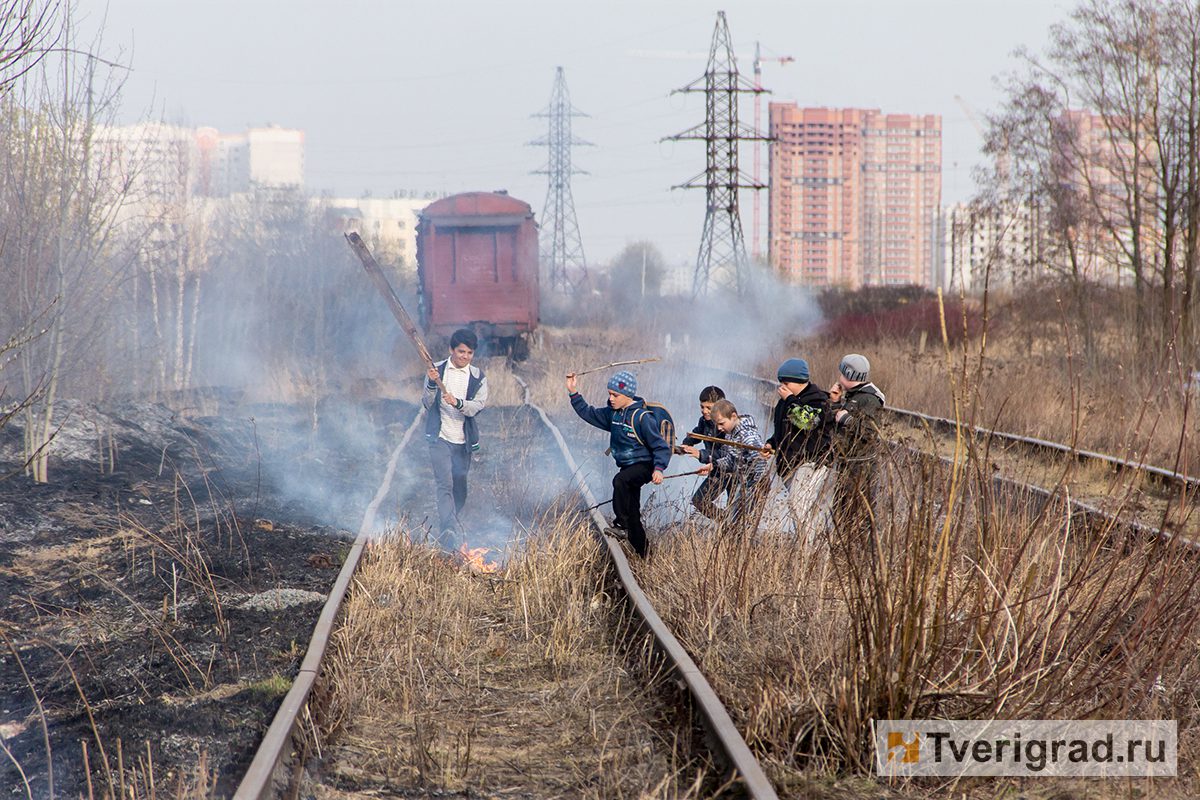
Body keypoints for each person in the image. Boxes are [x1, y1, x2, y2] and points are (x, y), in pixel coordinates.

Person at [566, 370, 669, 557]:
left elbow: (660, 447)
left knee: (620, 480)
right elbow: (588, 413)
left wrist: (659, 469)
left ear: (628, 395)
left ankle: (621, 525)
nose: (611, 399)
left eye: (615, 395)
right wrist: (573, 393)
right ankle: (645, 554)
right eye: (609, 394)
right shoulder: (613, 414)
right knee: (633, 514)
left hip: (645, 465)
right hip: (627, 467)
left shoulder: (642, 418)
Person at [423, 328, 488, 550]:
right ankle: (448, 528)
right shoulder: (437, 371)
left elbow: (478, 406)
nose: (465, 356)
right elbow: (426, 402)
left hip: (463, 441)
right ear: (452, 350)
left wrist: (459, 403)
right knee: (445, 484)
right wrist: (433, 384)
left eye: (469, 353)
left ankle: (451, 519)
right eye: (461, 351)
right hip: (440, 437)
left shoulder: (478, 377)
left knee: (460, 486)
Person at [760, 357, 834, 543]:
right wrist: (772, 443)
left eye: (786, 383)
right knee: (798, 509)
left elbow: (807, 423)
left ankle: (808, 549)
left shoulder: (818, 400)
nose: (781, 388)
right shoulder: (784, 402)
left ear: (800, 381)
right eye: (781, 383)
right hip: (789, 464)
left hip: (811, 462)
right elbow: (782, 430)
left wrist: (791, 400)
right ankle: (805, 545)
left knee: (798, 505)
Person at [827, 353, 886, 538]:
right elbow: (837, 425)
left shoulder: (869, 399)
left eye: (842, 373)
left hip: (861, 467)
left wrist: (847, 419)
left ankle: (861, 553)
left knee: (858, 512)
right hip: (848, 462)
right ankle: (841, 547)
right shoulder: (853, 395)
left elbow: (870, 432)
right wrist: (836, 403)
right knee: (841, 511)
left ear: (849, 375)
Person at [708, 398, 769, 530]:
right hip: (744, 482)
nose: (719, 428)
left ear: (733, 416)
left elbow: (760, 461)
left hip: (753, 484)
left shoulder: (747, 435)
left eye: (721, 423)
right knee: (734, 521)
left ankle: (740, 548)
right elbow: (731, 461)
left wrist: (755, 485)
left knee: (737, 522)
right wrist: (714, 465)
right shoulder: (731, 434)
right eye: (717, 425)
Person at [677, 385, 730, 519]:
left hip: (733, 471)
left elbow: (728, 454)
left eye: (709, 408)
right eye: (702, 407)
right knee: (700, 500)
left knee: (735, 507)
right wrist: (686, 444)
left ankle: (733, 527)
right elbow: (696, 434)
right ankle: (724, 522)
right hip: (717, 470)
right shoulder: (704, 421)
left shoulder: (728, 425)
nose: (704, 411)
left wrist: (701, 454)